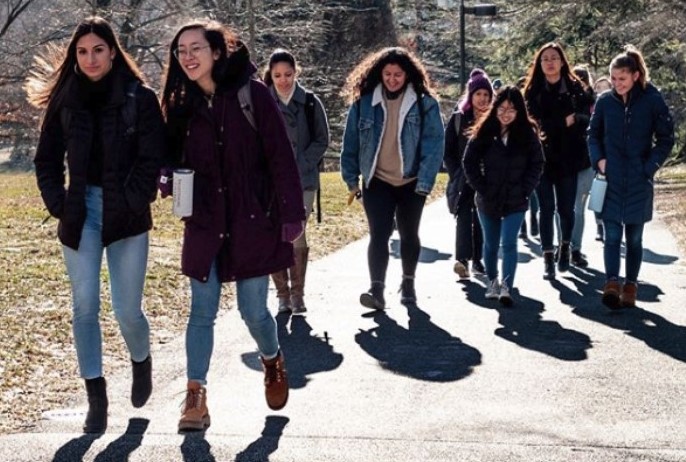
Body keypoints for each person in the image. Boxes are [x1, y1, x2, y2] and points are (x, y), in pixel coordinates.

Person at [160, 20, 306, 431]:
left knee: (253, 310)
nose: (187, 57)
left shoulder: (251, 94)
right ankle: (195, 397)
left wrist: (292, 213)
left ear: (217, 53)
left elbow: (280, 155)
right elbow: (167, 156)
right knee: (201, 311)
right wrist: (167, 176)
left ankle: (273, 359)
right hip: (205, 219)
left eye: (196, 49)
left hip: (251, 219)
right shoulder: (179, 103)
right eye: (180, 51)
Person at [26, 16, 164, 433]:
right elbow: (46, 161)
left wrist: (135, 197)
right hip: (79, 214)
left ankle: (141, 361)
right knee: (84, 307)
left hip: (127, 215)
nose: (90, 58)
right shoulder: (65, 100)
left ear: (112, 51)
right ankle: (96, 398)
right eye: (82, 51)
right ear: (75, 55)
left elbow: (151, 157)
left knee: (127, 311)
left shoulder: (139, 97)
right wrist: (58, 203)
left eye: (98, 50)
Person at [340, 46, 444, 309]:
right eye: (387, 74)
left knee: (409, 234)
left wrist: (424, 181)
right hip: (377, 181)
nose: (392, 79)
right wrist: (352, 181)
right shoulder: (364, 104)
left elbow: (434, 145)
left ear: (408, 75)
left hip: (410, 182)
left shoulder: (424, 104)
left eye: (398, 74)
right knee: (379, 234)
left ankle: (408, 282)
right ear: (379, 74)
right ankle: (376, 290)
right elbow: (350, 144)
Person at [588, 45, 674, 309]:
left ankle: (631, 285)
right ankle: (611, 283)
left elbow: (666, 137)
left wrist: (649, 167)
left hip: (639, 180)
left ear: (635, 75)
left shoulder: (652, 99)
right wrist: (599, 161)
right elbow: (592, 135)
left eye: (622, 79)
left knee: (634, 239)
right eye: (613, 79)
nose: (616, 84)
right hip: (611, 179)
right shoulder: (605, 102)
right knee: (612, 235)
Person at [463, 86, 544, 306]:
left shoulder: (527, 134)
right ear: (494, 108)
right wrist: (480, 186)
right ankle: (492, 281)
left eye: (511, 109)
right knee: (490, 243)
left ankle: (507, 285)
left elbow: (537, 164)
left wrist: (526, 189)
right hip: (488, 197)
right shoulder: (484, 131)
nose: (506, 113)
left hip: (516, 198)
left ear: (519, 111)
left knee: (509, 242)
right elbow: (468, 161)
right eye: (501, 108)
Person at [263, 49, 330, 314]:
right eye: (277, 75)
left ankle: (298, 294)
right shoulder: (262, 101)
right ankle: (282, 294)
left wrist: (300, 163)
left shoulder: (310, 102)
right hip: (271, 180)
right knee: (275, 236)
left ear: (296, 72)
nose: (283, 80)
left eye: (288, 74)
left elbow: (322, 140)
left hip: (303, 179)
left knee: (297, 233)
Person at [523, 42, 594, 280]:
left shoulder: (575, 88)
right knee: (546, 208)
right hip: (542, 158)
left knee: (566, 208)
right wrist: (563, 123)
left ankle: (565, 246)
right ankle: (547, 256)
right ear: (539, 64)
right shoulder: (532, 91)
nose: (550, 62)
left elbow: (586, 118)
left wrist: (574, 120)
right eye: (545, 59)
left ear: (562, 62)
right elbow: (533, 124)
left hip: (570, 157)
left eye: (554, 58)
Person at [444, 68, 491, 280]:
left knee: (482, 218)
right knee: (463, 217)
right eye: (478, 94)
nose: (482, 99)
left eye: (486, 95)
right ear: (470, 96)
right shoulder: (458, 119)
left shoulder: (496, 120)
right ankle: (462, 260)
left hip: (487, 178)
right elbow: (449, 150)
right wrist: (455, 173)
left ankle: (478, 260)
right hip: (463, 177)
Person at [591, 75, 613, 242]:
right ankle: (599, 226)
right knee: (599, 192)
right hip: (599, 158)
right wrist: (598, 158)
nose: (602, 91)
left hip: (617, 158)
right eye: (599, 88)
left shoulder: (618, 104)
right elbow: (592, 134)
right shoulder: (596, 105)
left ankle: (613, 226)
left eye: (606, 87)